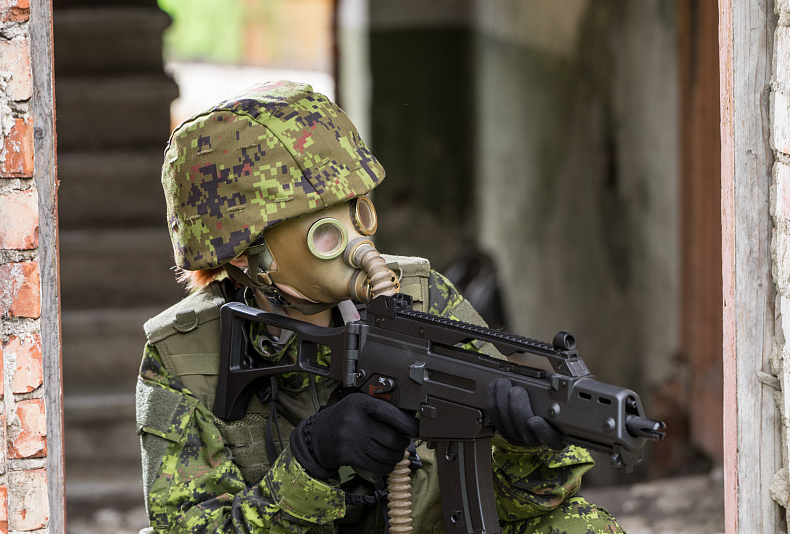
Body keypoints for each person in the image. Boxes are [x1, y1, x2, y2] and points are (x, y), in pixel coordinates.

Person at [136, 80, 622, 533]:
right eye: (324, 233)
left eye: (358, 211)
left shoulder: (420, 293)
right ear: (246, 256)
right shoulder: (185, 353)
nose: (358, 243)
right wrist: (309, 463)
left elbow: (529, 504)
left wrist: (522, 448)